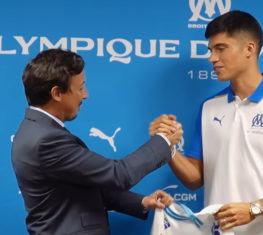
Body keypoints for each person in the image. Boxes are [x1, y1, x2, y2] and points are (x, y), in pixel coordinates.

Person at [149, 10, 263, 235]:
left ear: (249, 49)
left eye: (221, 49)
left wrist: (254, 209)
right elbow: (194, 179)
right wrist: (167, 146)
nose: (212, 58)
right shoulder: (209, 107)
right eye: (211, 50)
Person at [11, 48, 183, 235]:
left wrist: (141, 202)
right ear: (57, 93)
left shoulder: (36, 130)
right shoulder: (46, 139)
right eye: (80, 88)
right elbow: (119, 174)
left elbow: (83, 188)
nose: (85, 95)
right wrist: (164, 140)